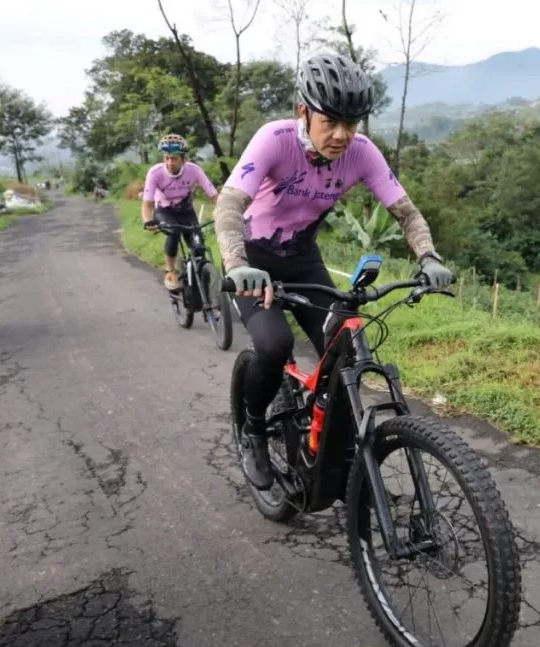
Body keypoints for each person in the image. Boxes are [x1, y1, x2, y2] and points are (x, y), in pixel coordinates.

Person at [214, 52, 453, 491]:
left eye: (352, 123)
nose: (343, 135)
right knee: (274, 343)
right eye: (331, 122)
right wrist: (237, 264)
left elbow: (407, 213)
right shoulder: (275, 139)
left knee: (345, 340)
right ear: (303, 112)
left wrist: (429, 257)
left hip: (303, 257)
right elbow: (229, 205)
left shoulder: (360, 153)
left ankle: (325, 432)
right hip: (253, 259)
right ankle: (253, 431)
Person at [141, 134, 220, 290]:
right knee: (174, 232)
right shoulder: (155, 172)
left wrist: (222, 211)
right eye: (167, 158)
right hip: (164, 210)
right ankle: (170, 271)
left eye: (174, 158)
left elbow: (214, 196)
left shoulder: (194, 170)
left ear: (183, 159)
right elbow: (148, 203)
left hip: (186, 210)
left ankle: (207, 293)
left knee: (199, 248)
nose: (170, 163)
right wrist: (147, 220)